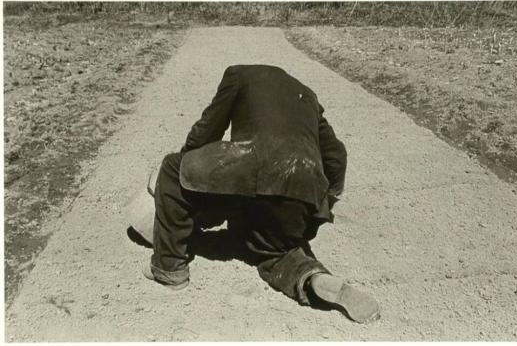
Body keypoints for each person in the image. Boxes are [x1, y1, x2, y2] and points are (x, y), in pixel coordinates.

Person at [139, 64, 379, 323]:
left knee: (174, 168)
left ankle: (169, 267)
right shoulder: (308, 95)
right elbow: (336, 156)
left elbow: (208, 130)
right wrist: (325, 203)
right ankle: (312, 278)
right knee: (274, 250)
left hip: (252, 167)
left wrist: (190, 166)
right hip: (302, 190)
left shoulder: (238, 74)